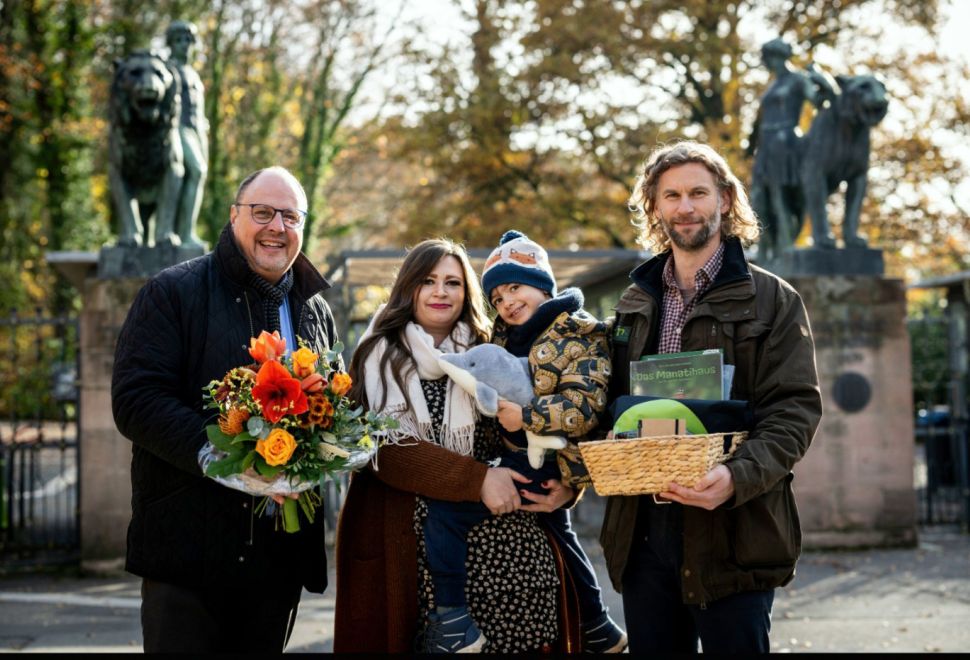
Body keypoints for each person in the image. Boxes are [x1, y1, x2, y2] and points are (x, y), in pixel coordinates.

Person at [602, 140, 822, 653]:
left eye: (698, 193)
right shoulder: (632, 305)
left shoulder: (773, 299)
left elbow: (794, 411)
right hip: (643, 534)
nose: (685, 207)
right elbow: (604, 405)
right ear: (654, 206)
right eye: (671, 195)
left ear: (724, 199)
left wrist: (734, 476)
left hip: (735, 531)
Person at [112, 166, 339, 653]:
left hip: (279, 559)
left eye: (291, 216)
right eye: (262, 213)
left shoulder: (316, 309)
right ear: (234, 216)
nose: (277, 227)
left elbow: (327, 407)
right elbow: (136, 401)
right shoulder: (173, 292)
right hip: (188, 556)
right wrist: (231, 461)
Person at [333, 239, 578, 653]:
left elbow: (554, 413)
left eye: (453, 282)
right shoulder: (376, 354)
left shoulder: (497, 346)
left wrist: (568, 484)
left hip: (502, 550)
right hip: (403, 541)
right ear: (408, 287)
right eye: (428, 281)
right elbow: (379, 449)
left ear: (468, 293)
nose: (441, 292)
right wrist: (477, 478)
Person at [420, 229, 626, 653]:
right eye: (496, 297)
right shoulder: (503, 338)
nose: (507, 302)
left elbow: (585, 406)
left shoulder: (579, 333)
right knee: (561, 537)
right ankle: (598, 626)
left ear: (543, 285)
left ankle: (453, 618)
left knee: (447, 515)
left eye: (515, 287)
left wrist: (525, 416)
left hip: (550, 458)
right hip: (525, 456)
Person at [747, 36, 835, 260]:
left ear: (777, 56)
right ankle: (768, 248)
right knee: (760, 197)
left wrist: (821, 78)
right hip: (766, 145)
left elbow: (819, 100)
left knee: (780, 194)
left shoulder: (798, 79)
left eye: (768, 58)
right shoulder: (774, 83)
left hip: (785, 141)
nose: (766, 63)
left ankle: (784, 248)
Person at [165, 19, 208, 250]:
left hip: (198, 130)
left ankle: (186, 231)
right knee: (195, 171)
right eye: (179, 40)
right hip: (178, 128)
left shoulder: (192, 72)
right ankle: (182, 232)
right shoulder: (169, 68)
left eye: (188, 40)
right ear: (171, 43)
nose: (184, 45)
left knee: (199, 176)